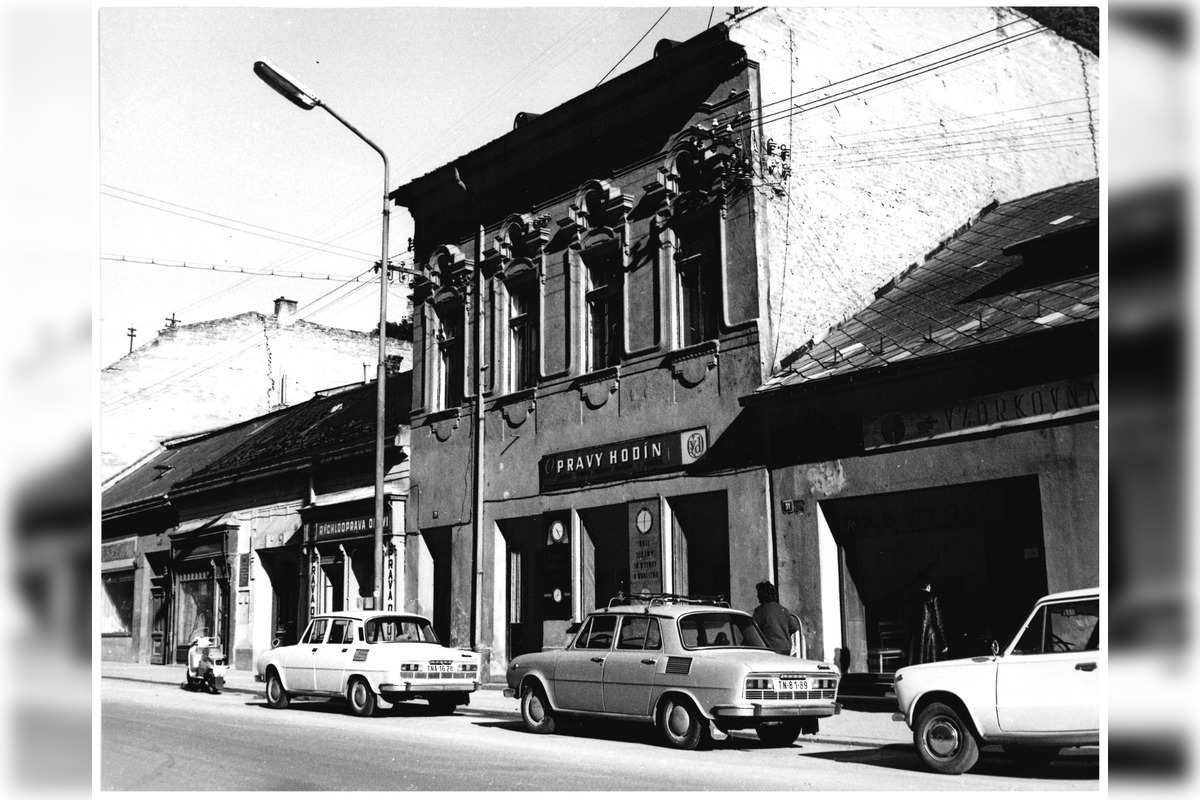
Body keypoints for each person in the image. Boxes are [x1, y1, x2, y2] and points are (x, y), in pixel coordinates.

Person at [906, 581, 949, 664]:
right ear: (928, 586)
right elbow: (938, 622)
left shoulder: (911, 600)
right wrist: (943, 643)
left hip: (915, 639)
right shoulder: (932, 598)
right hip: (930, 638)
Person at [753, 581, 800, 656]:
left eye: (758, 594)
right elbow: (793, 628)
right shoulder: (783, 610)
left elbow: (753, 630)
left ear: (762, 595)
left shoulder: (760, 611)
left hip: (769, 649)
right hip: (786, 648)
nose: (757, 596)